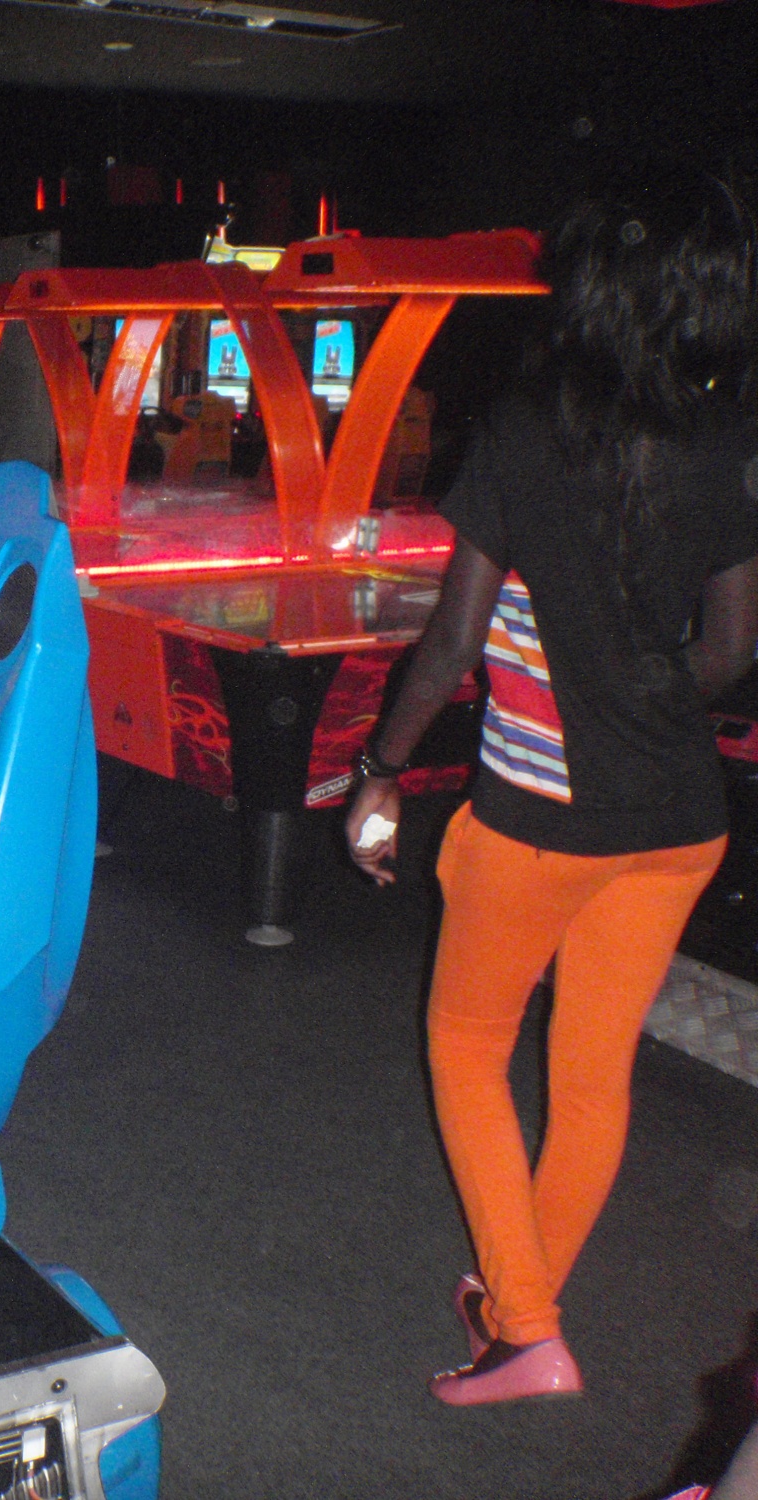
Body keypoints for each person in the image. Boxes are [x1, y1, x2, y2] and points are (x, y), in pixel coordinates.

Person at [345, 165, 758, 1407]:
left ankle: (526, 1330)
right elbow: (729, 650)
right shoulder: (724, 439)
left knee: (466, 1047)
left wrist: (375, 772)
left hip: (536, 825)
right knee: (589, 1079)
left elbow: (448, 648)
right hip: (676, 822)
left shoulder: (527, 428)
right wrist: (637, 702)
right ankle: (511, 1306)